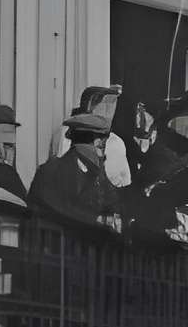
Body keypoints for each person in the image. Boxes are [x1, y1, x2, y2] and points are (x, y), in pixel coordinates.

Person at [27, 91, 124, 234]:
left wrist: (116, 216)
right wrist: (98, 219)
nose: (103, 154)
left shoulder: (97, 172)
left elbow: (113, 200)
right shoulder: (50, 172)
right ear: (81, 146)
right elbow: (62, 211)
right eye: (100, 146)